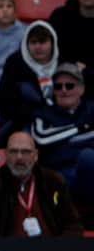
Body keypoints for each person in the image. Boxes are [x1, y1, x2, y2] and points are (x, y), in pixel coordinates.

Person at [0, 131, 82, 237]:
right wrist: (2, 249)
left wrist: (58, 250)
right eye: (13, 151)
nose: (19, 157)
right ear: (5, 154)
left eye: (26, 152)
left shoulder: (53, 182)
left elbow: (73, 224)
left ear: (36, 155)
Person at [30, 63, 94, 203]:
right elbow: (42, 139)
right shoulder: (43, 113)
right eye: (58, 86)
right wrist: (80, 129)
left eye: (69, 86)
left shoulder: (91, 109)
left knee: (87, 157)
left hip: (89, 173)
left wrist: (63, 143)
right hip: (60, 175)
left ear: (82, 89)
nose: (64, 90)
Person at [0, 20, 59, 146]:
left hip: (59, 121)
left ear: (52, 43)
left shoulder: (64, 64)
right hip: (23, 122)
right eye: (33, 42)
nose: (38, 47)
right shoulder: (15, 63)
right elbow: (5, 100)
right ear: (26, 44)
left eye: (43, 42)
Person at [49, 0, 94, 99]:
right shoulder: (60, 16)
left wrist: (87, 71)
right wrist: (73, 67)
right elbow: (51, 50)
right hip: (65, 80)